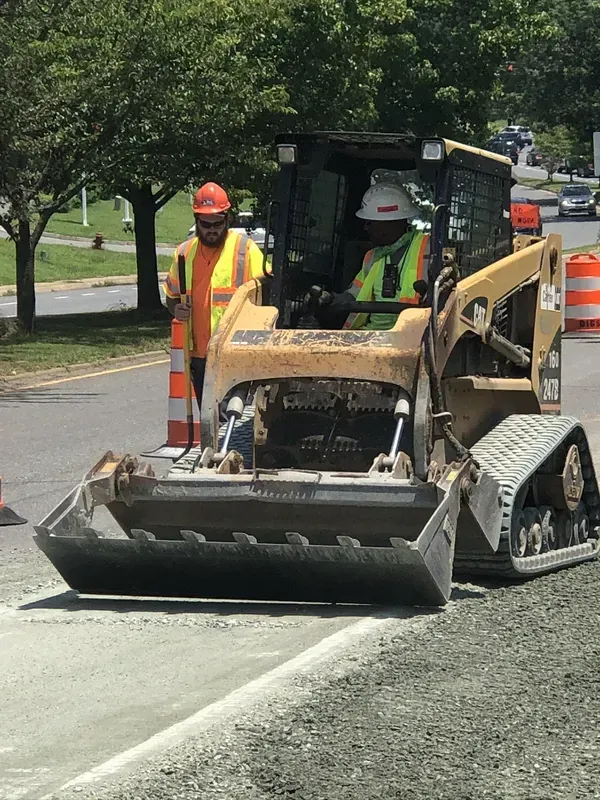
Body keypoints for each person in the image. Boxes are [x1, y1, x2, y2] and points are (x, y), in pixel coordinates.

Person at [163, 182, 266, 413]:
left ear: (227, 219)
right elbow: (171, 297)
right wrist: (175, 309)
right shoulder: (183, 253)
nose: (212, 230)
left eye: (217, 223)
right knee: (209, 415)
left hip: (234, 350)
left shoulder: (245, 250)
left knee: (229, 414)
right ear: (196, 220)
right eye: (205, 224)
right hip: (199, 354)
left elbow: (266, 294)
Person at [318, 183, 430, 330]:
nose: (365, 228)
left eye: (370, 223)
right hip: (371, 336)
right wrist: (329, 299)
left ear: (389, 222)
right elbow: (354, 296)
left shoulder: (429, 248)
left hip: (414, 335)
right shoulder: (372, 257)